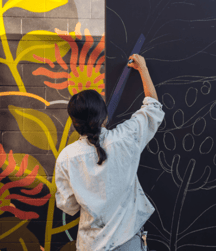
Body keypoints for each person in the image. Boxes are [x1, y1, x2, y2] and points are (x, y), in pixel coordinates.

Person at [55, 54, 165, 251]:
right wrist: (143, 69)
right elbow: (153, 108)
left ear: (74, 123)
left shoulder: (66, 157)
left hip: (90, 245)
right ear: (104, 117)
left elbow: (68, 206)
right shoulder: (125, 138)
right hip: (128, 242)